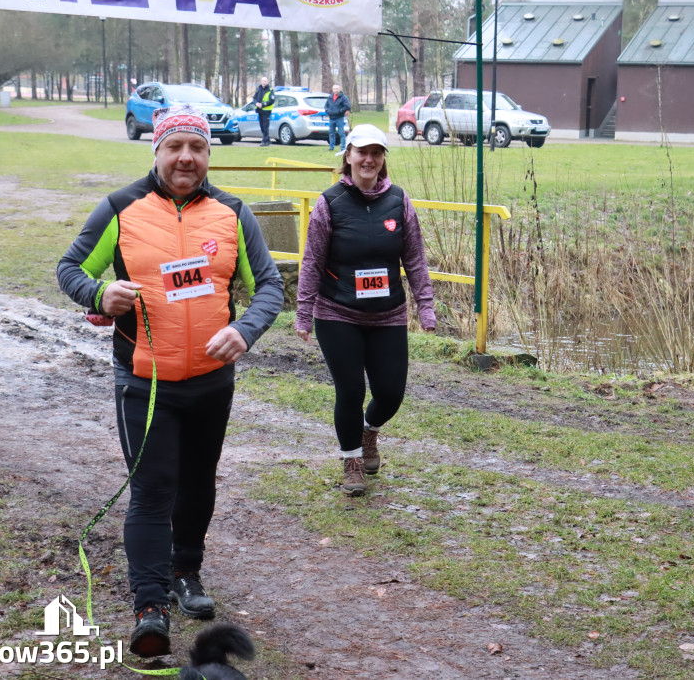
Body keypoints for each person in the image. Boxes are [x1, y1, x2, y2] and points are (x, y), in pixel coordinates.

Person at [57, 104, 284, 657]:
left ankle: (187, 573)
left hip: (211, 380)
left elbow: (271, 285)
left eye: (197, 148)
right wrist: (99, 295)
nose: (187, 157)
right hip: (145, 380)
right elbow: (70, 268)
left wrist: (246, 330)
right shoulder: (120, 208)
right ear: (156, 151)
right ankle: (150, 604)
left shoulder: (232, 214)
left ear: (209, 154)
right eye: (175, 146)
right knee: (154, 487)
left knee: (199, 481)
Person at [294, 124, 436, 497]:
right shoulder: (329, 203)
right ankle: (352, 460)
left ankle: (368, 432)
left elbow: (416, 259)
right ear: (348, 156)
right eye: (362, 152)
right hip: (337, 311)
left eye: (376, 152)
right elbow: (311, 262)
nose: (369, 159)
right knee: (351, 389)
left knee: (390, 392)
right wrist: (303, 312)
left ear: (383, 158)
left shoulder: (399, 201)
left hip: (387, 314)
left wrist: (426, 307)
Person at [325, 83, 351, 152]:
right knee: (331, 133)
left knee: (341, 133)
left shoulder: (343, 97)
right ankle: (331, 147)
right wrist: (328, 111)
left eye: (337, 89)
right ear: (332, 90)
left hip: (339, 118)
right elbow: (326, 106)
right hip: (331, 118)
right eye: (334, 89)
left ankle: (343, 148)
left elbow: (347, 106)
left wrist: (340, 111)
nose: (335, 90)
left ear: (339, 89)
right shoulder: (330, 97)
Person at [252, 76, 275, 146]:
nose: (263, 82)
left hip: (266, 111)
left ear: (267, 82)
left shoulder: (270, 90)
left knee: (265, 126)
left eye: (265, 81)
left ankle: (264, 141)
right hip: (259, 110)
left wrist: (263, 104)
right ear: (261, 82)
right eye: (262, 81)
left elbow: (272, 100)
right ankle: (267, 140)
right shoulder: (258, 89)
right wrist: (256, 103)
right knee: (262, 126)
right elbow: (254, 98)